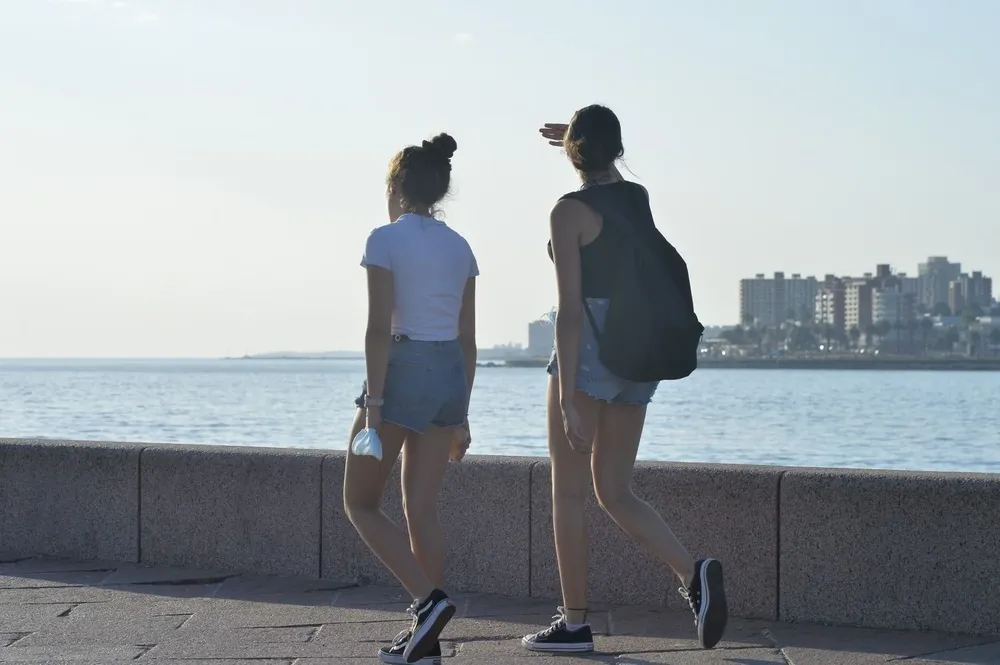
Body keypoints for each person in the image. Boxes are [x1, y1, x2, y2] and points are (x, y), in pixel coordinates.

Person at [520, 105, 728, 654]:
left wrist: (566, 395)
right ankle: (693, 573)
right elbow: (607, 177)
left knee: (568, 493)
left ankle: (574, 623)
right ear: (616, 150)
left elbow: (567, 309)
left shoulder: (568, 212)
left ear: (574, 152)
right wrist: (582, 142)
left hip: (588, 348)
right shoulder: (636, 197)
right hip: (636, 348)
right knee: (614, 489)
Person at [343, 132, 478, 665]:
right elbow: (468, 340)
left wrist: (374, 402)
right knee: (421, 507)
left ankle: (428, 603)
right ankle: (427, 638)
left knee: (360, 502)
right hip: (448, 373)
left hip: (401, 369)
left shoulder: (384, 239)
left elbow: (379, 327)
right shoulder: (461, 246)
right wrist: (463, 413)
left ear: (395, 186)